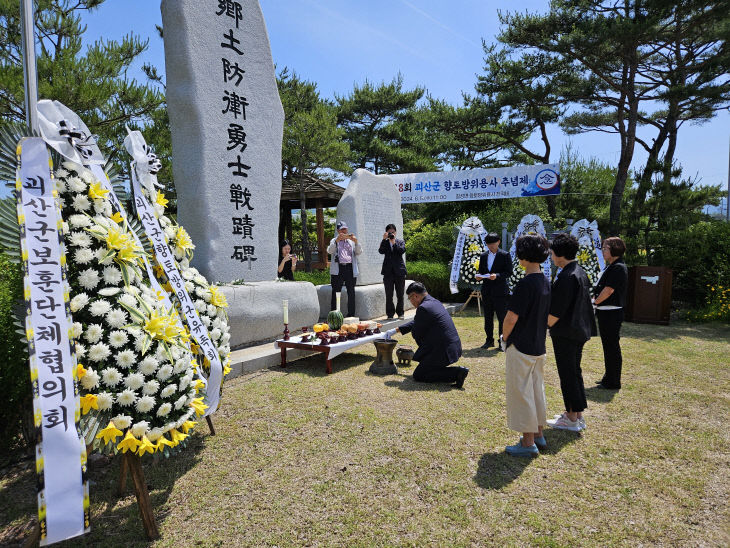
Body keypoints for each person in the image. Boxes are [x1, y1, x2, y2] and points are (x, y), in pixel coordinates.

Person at [501, 234, 551, 457]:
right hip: (538, 344)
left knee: (522, 392)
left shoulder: (525, 284)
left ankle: (527, 442)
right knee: (536, 390)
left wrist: (504, 337)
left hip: (521, 345)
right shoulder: (545, 280)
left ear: (523, 256)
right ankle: (538, 434)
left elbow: (511, 317)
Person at [545, 234, 596, 432]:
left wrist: (542, 327)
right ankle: (575, 414)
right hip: (578, 330)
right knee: (574, 372)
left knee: (568, 374)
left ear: (559, 254)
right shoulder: (579, 271)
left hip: (567, 332)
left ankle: (572, 418)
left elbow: (557, 311)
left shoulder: (567, 276)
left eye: (552, 252)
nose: (551, 255)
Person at [385, 282, 468, 388]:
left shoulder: (423, 308)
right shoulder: (434, 302)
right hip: (453, 348)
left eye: (410, 298)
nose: (411, 302)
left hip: (443, 351)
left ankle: (457, 373)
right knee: (426, 368)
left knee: (420, 374)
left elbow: (417, 332)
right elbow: (417, 321)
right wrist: (395, 330)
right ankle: (456, 372)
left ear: (415, 295)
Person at [594, 236, 628, 390]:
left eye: (605, 248)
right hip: (606, 311)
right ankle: (608, 376)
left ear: (614, 249)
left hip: (611, 312)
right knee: (608, 346)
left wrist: (595, 302)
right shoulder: (611, 266)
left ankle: (613, 381)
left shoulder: (618, 267)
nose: (603, 250)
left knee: (612, 346)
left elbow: (608, 291)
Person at [477, 232, 513, 350]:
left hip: (500, 291)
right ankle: (489, 340)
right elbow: (482, 271)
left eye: (493, 243)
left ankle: (501, 342)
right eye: (488, 244)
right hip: (487, 290)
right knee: (488, 317)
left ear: (498, 242)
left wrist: (497, 275)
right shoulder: (483, 256)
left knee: (502, 317)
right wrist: (479, 276)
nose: (491, 246)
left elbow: (509, 272)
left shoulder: (505, 255)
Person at [327, 221, 362, 317]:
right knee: (336, 291)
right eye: (342, 229)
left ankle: (351, 314)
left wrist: (356, 242)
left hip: (350, 268)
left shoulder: (351, 241)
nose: (344, 231)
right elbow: (330, 251)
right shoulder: (334, 240)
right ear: (338, 231)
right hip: (338, 269)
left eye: (345, 229)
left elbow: (359, 252)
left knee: (351, 291)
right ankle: (334, 315)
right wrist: (336, 241)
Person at [378, 223, 407, 320]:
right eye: (389, 232)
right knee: (389, 294)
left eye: (393, 232)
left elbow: (401, 251)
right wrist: (383, 239)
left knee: (400, 294)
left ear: (396, 232)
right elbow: (381, 251)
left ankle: (400, 313)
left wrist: (393, 242)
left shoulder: (400, 241)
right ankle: (390, 314)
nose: (391, 234)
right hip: (388, 272)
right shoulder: (385, 242)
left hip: (399, 272)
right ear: (386, 233)